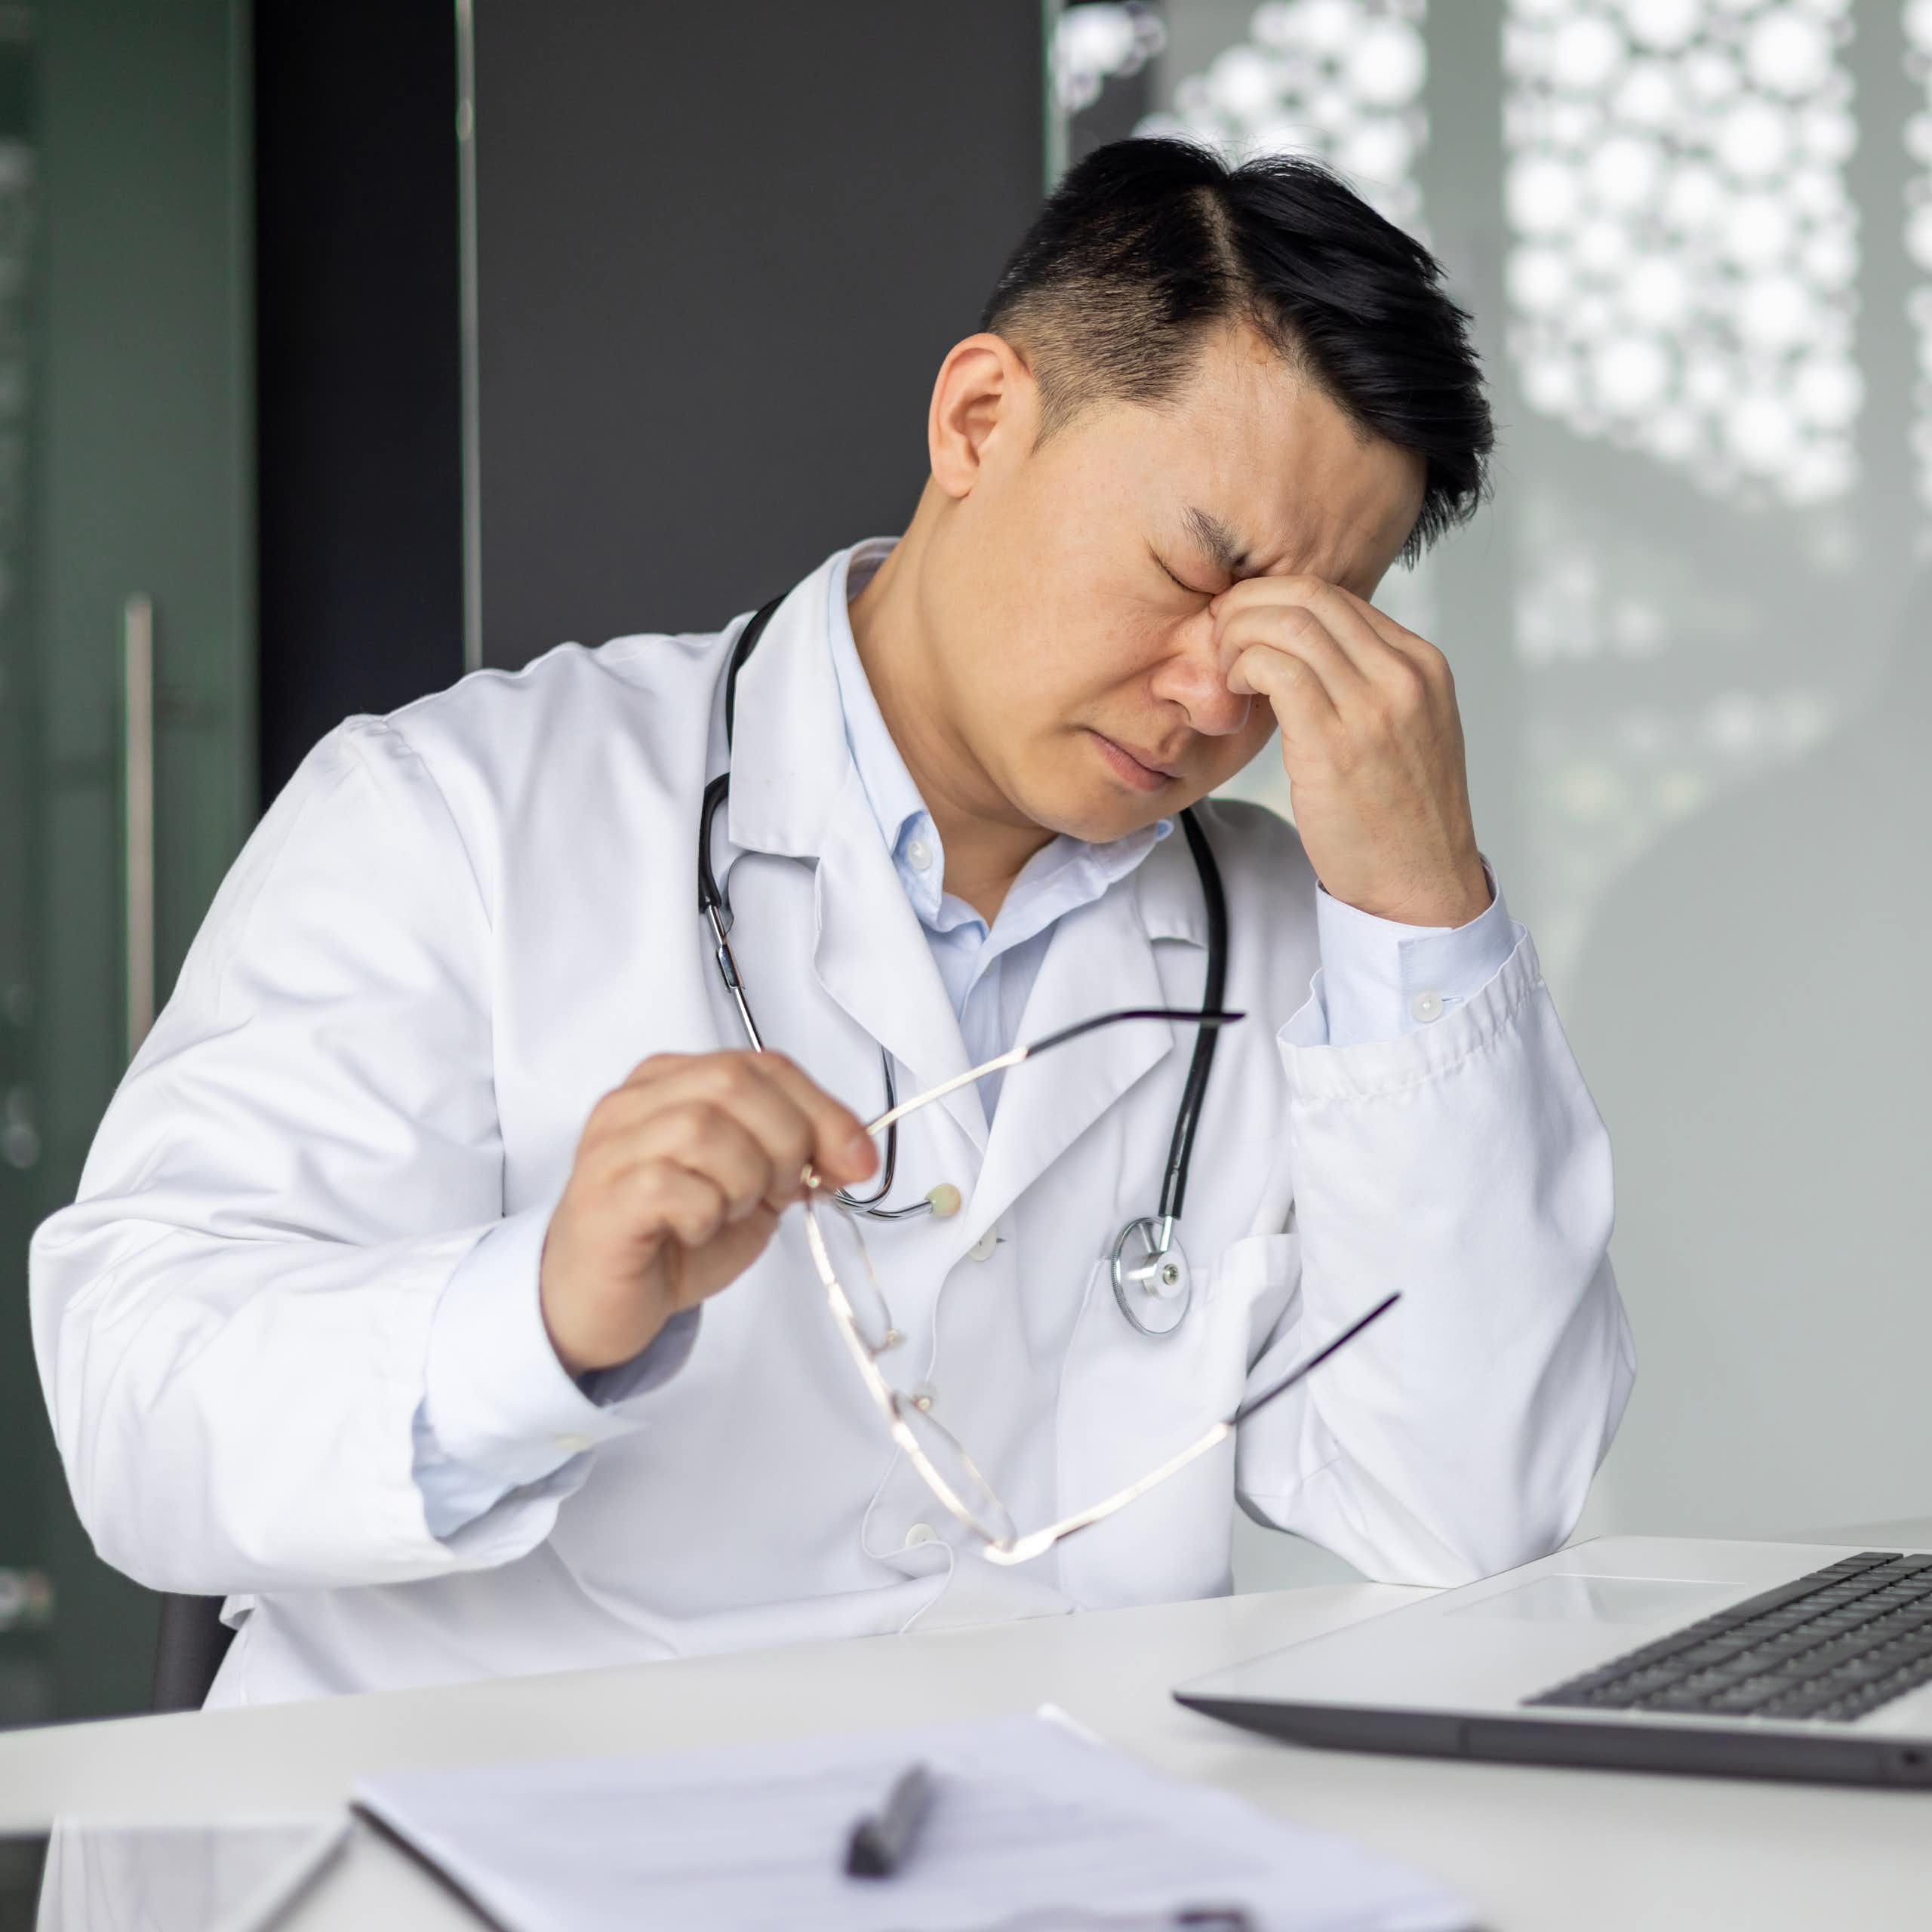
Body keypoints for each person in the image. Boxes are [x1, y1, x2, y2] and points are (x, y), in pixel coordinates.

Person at [29, 139, 1633, 1706]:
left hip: (1038, 1850)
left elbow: (1467, 1508)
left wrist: (1427, 911)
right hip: (492, 1843)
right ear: (979, 416)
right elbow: (137, 1401)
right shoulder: (457, 809)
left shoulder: (1295, 943)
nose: (1219, 692)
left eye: (1304, 632)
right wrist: (539, 1309)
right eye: (1191, 572)